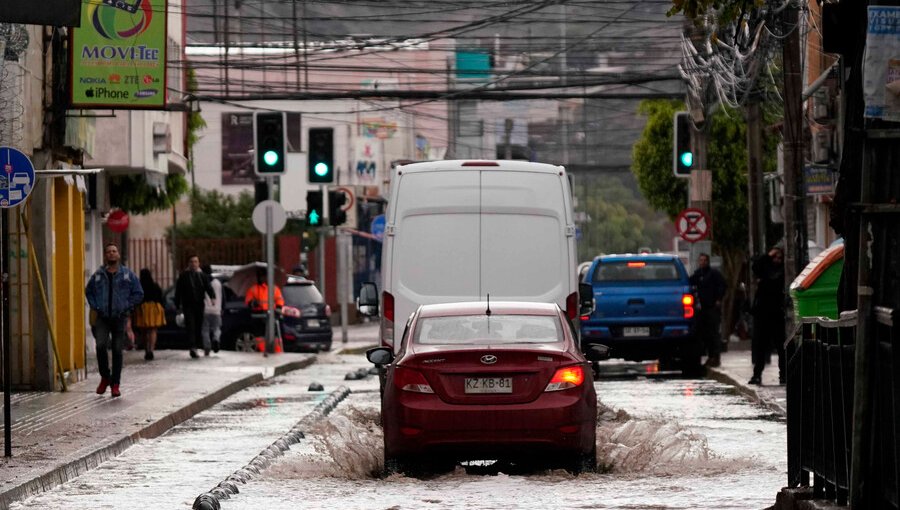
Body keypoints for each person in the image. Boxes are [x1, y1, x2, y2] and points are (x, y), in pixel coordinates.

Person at [84, 242, 144, 397]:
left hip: (119, 317)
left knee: (118, 350)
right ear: (105, 255)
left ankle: (115, 384)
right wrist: (95, 306)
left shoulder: (127, 274)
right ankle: (105, 377)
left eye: (114, 251)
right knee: (100, 346)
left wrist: (126, 306)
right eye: (109, 251)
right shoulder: (98, 275)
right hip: (102, 317)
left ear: (118, 255)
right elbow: (88, 291)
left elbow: (138, 293)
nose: (112, 253)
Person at [750, 247, 786, 385]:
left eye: (779, 258)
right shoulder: (765, 268)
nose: (776, 260)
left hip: (777, 313)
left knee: (781, 346)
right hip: (762, 313)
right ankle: (757, 374)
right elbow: (756, 267)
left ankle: (783, 375)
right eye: (774, 257)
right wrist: (767, 255)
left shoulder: (782, 271)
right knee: (760, 346)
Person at [689, 253, 727, 368]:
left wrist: (719, 299)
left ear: (708, 261)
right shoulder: (698, 274)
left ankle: (715, 357)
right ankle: (710, 356)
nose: (703, 262)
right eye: (701, 260)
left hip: (712, 308)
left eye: (705, 260)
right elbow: (690, 282)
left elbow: (723, 285)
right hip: (702, 309)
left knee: (714, 333)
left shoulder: (714, 273)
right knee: (704, 334)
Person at [174, 255, 215, 358]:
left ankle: (195, 346)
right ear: (189, 264)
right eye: (192, 262)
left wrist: (212, 297)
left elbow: (208, 287)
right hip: (188, 305)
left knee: (197, 326)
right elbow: (178, 291)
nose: (194, 264)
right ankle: (192, 347)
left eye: (195, 262)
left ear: (198, 263)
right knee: (191, 326)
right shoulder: (183, 276)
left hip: (199, 305)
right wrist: (177, 304)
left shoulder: (202, 276)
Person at [245, 268, 285, 353]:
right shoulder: (253, 289)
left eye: (264, 276)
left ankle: (277, 351)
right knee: (260, 336)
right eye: (261, 276)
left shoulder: (274, 289)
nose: (263, 278)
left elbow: (279, 300)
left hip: (272, 315)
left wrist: (278, 308)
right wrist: (253, 303)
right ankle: (263, 350)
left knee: (274, 336)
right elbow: (248, 302)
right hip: (258, 315)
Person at [134, 268, 166, 361]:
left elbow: (136, 298)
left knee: (144, 331)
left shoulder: (139, 286)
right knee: (153, 330)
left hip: (142, 309)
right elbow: (161, 298)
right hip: (154, 308)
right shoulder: (155, 286)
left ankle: (146, 349)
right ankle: (151, 349)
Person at [201, 264, 223, 354]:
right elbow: (223, 297)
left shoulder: (202, 282)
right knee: (217, 328)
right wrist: (222, 308)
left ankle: (207, 347)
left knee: (205, 329)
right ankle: (216, 339)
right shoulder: (218, 283)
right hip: (217, 310)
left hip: (205, 310)